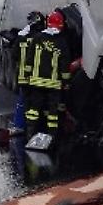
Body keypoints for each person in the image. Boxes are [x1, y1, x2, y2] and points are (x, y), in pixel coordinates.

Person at [25, 9, 71, 141]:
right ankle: (51, 136)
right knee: (52, 112)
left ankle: (30, 133)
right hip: (53, 84)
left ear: (48, 23)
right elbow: (64, 65)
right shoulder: (62, 42)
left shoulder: (37, 38)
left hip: (36, 82)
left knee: (33, 109)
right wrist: (66, 82)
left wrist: (28, 75)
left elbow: (29, 59)